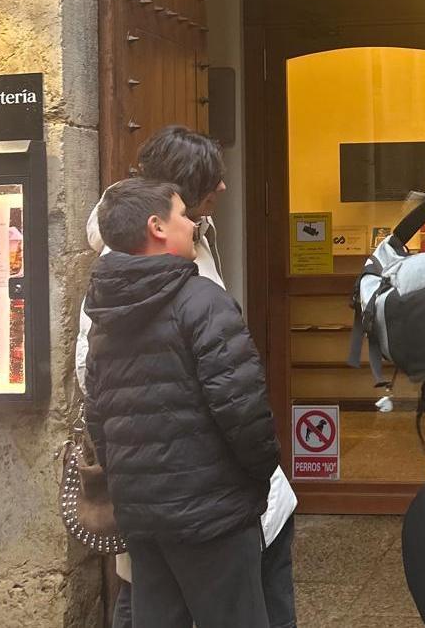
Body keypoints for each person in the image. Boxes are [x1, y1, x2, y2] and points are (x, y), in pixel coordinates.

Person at [75, 126, 298, 628]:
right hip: (210, 503)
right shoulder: (196, 295)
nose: (221, 190)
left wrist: (133, 479)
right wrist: (256, 478)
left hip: (148, 503)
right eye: (209, 184)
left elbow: (99, 410)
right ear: (160, 221)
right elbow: (241, 406)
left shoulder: (107, 293)